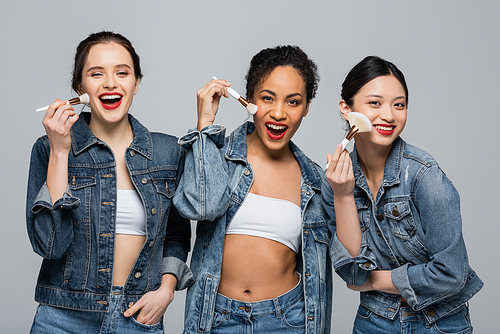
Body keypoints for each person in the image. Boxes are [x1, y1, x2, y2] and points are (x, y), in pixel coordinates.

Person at [26, 31, 193, 333]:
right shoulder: (48, 148)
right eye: (96, 73)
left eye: (122, 73)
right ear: (80, 87)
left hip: (138, 316)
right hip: (64, 317)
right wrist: (60, 153)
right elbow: (49, 244)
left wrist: (167, 291)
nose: (111, 83)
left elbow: (177, 237)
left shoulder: (170, 153)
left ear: (136, 83)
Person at [173, 45, 332, 333]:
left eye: (293, 102)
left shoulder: (316, 182)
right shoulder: (217, 155)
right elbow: (200, 207)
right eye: (267, 98)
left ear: (306, 107)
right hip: (217, 317)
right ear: (248, 101)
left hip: (287, 320)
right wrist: (204, 126)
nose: (279, 113)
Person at [323, 55, 483, 333]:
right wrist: (344, 196)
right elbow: (351, 272)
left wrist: (375, 280)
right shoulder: (335, 181)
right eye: (375, 103)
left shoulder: (424, 175)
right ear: (346, 109)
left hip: (439, 322)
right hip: (374, 321)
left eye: (399, 105)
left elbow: (452, 273)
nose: (389, 115)